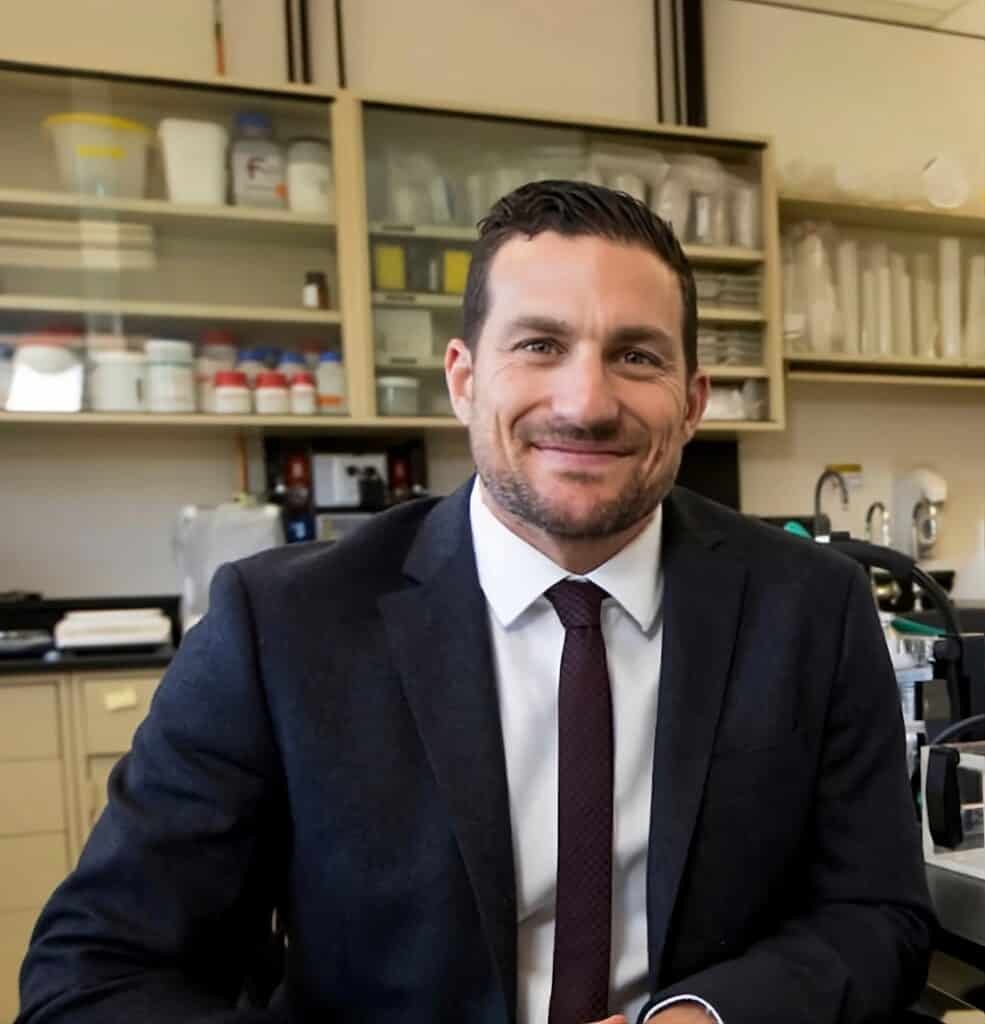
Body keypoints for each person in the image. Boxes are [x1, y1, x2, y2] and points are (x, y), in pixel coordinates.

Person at [18, 181, 932, 1024]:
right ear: (462, 379)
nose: (585, 402)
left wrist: (692, 1021)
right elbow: (95, 973)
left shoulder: (810, 604)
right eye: (539, 345)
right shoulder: (285, 625)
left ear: (692, 402)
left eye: (636, 356)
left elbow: (873, 915)